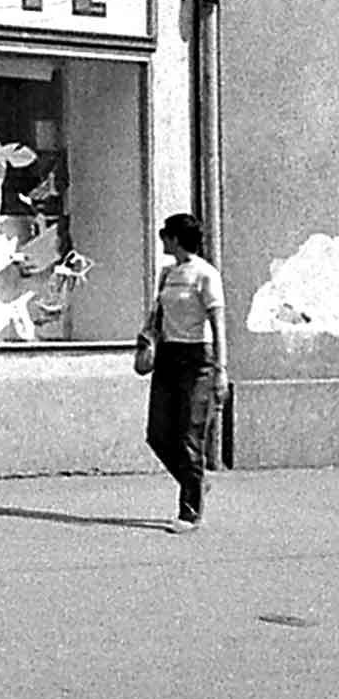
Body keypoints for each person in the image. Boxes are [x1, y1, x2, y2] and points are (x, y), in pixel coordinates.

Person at [144, 211, 228, 532]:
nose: (162, 239)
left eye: (166, 234)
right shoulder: (167, 273)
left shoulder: (206, 275)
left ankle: (189, 513)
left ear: (176, 239)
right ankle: (194, 481)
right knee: (158, 434)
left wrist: (221, 368)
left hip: (197, 358)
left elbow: (218, 324)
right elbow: (158, 312)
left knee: (190, 435)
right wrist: (148, 335)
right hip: (168, 354)